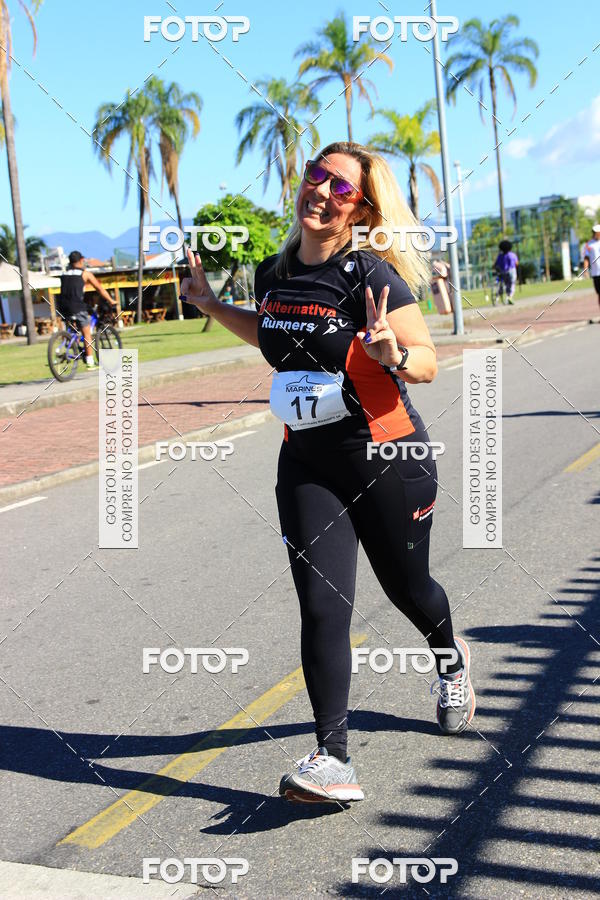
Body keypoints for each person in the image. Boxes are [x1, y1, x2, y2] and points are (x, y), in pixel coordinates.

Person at [180, 142, 476, 804]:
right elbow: (271, 332)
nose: (322, 193)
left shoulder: (372, 275)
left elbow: (426, 362)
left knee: (409, 589)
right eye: (317, 177)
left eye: (341, 189)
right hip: (306, 463)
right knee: (322, 606)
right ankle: (332, 757)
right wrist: (207, 304)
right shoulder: (274, 271)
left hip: (388, 458)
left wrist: (390, 350)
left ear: (361, 208)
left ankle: (450, 663)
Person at [57, 251, 117, 368]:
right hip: (77, 306)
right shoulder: (85, 274)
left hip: (62, 307)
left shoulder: (63, 273)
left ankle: (71, 344)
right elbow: (99, 289)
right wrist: (111, 300)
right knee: (86, 332)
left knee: (73, 327)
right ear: (81, 260)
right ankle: (90, 361)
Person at [493, 239, 519, 305]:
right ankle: (509, 297)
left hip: (503, 272)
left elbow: (496, 264)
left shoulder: (500, 256)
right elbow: (516, 263)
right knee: (512, 284)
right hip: (511, 271)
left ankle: (497, 298)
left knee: (504, 285)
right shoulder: (512, 255)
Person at [582, 224, 600, 307]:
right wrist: (585, 270)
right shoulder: (589, 244)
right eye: (594, 232)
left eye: (596, 232)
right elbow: (586, 258)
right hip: (596, 273)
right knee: (599, 293)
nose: (595, 234)